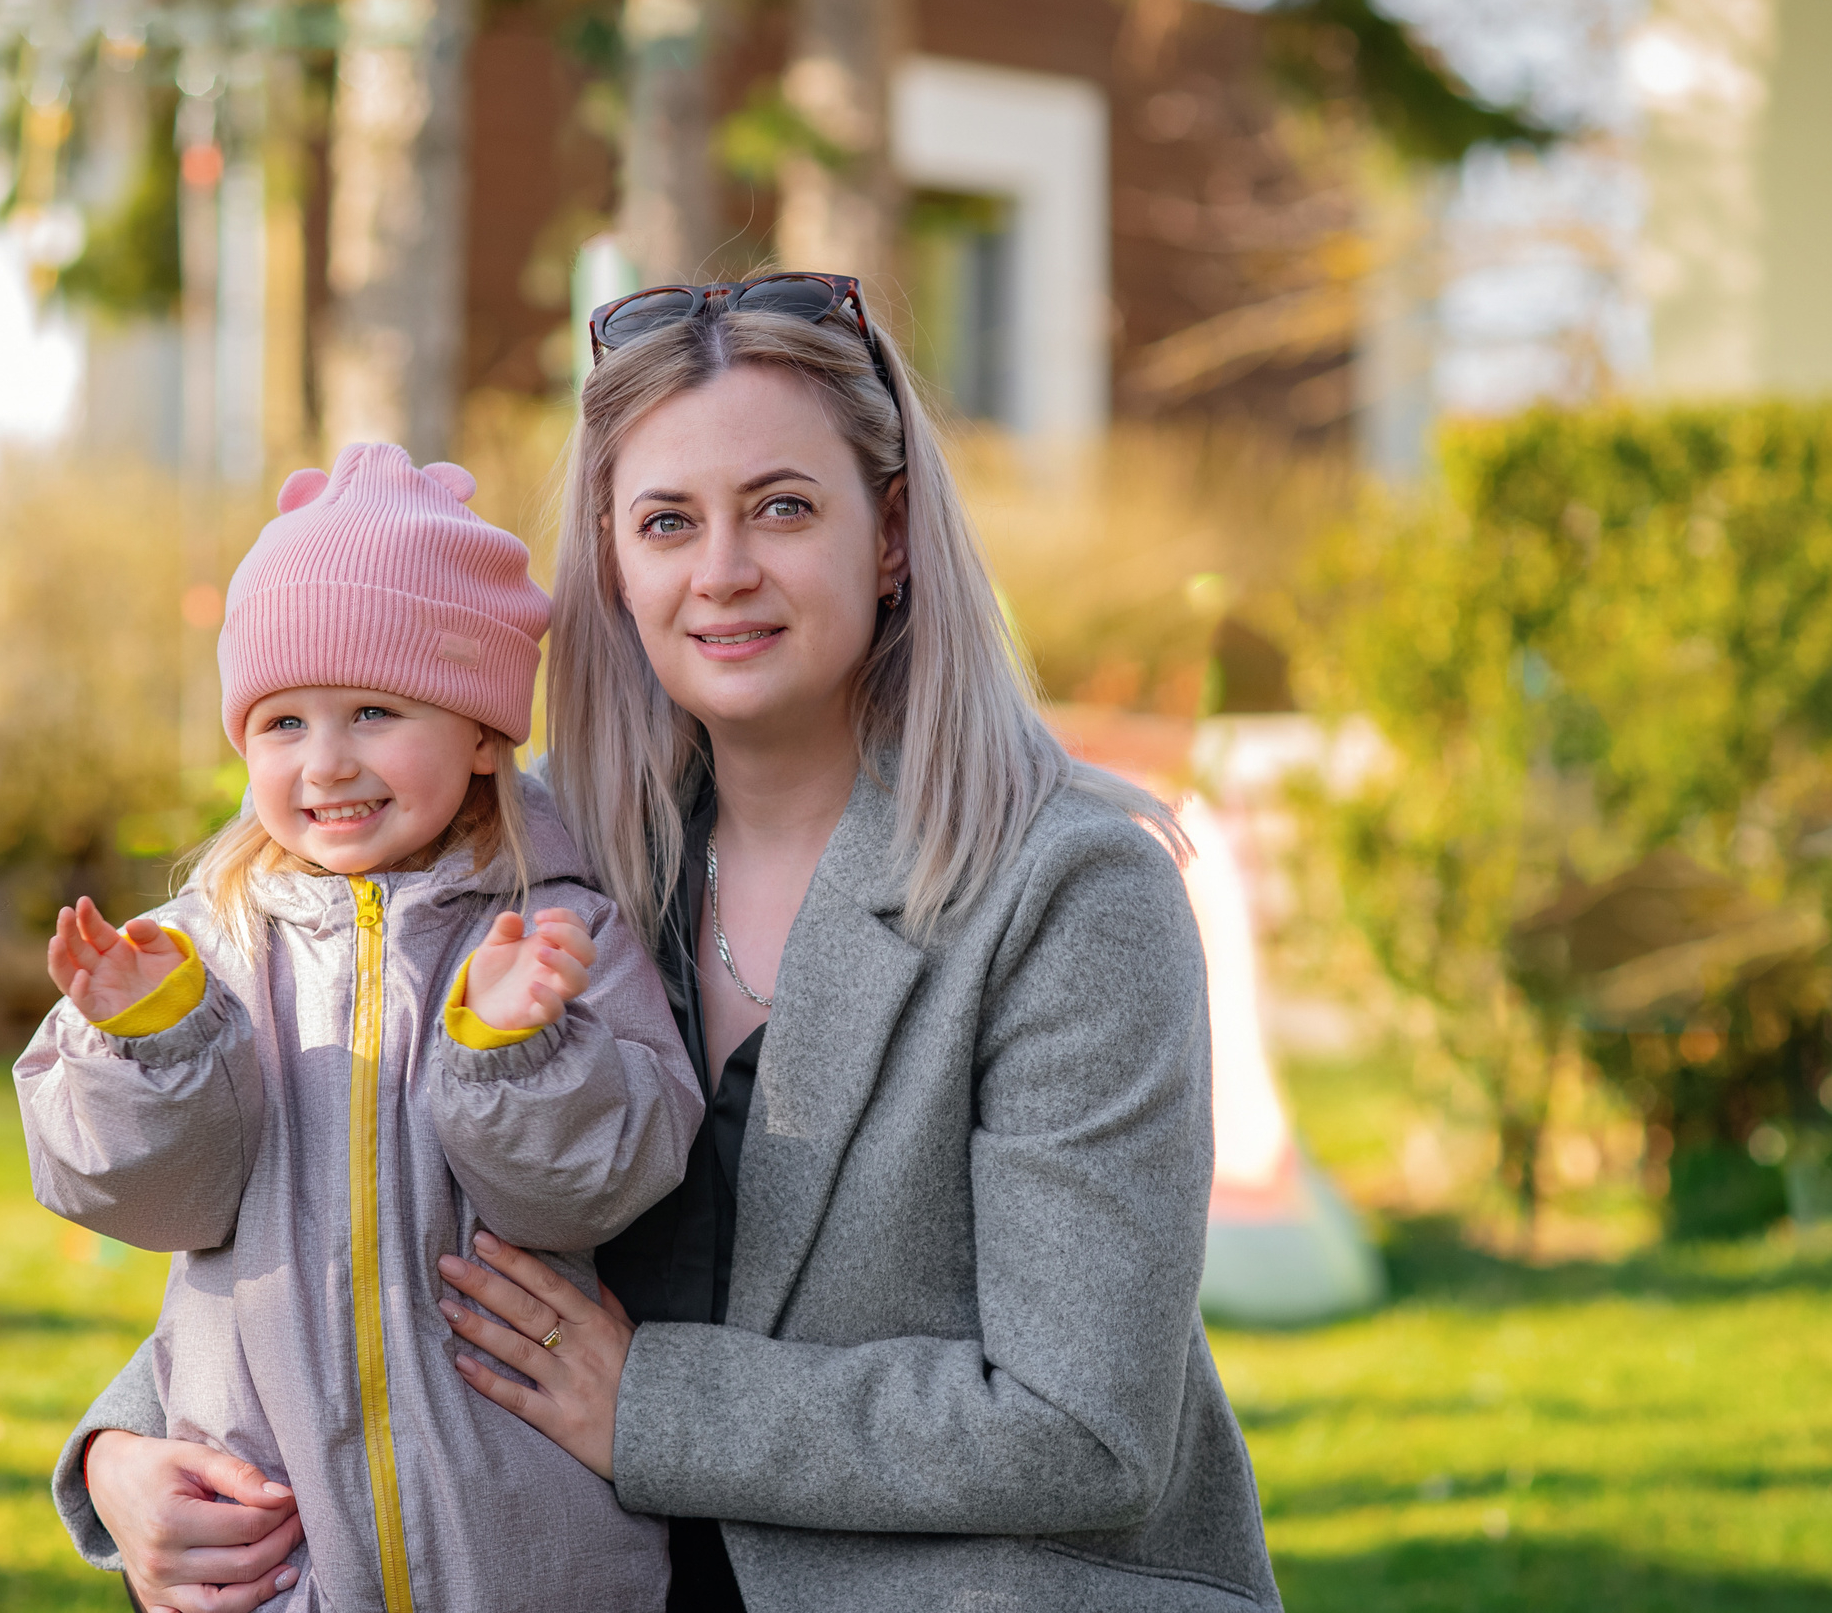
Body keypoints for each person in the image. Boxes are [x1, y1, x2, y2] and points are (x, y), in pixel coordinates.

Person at [63, 276, 1281, 1612]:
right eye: (666, 522)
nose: (722, 571)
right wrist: (127, 1454)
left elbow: (1082, 1423)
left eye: (781, 508)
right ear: (615, 563)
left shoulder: (1070, 890)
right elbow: (351, 1193)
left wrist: (650, 1406)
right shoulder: (550, 883)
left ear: (889, 536)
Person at [17, 442, 703, 1613]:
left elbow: (593, 1193)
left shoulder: (556, 933)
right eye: (281, 722)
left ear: (484, 733)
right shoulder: (199, 947)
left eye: (375, 711)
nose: (325, 762)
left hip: (529, 1566)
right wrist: (156, 1046)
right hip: (279, 1562)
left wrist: (514, 1051)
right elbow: (143, 1199)